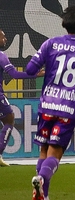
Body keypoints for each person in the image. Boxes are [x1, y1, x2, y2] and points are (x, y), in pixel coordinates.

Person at [24, 8, 75, 200]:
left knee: (44, 150)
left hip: (47, 105)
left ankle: (44, 199)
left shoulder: (50, 43)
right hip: (69, 108)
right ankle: (41, 180)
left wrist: (48, 71)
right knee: (55, 154)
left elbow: (30, 70)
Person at [1, 28, 42, 167]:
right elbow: (15, 75)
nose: (5, 39)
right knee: (9, 119)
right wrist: (36, 74)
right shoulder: (1, 55)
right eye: (3, 36)